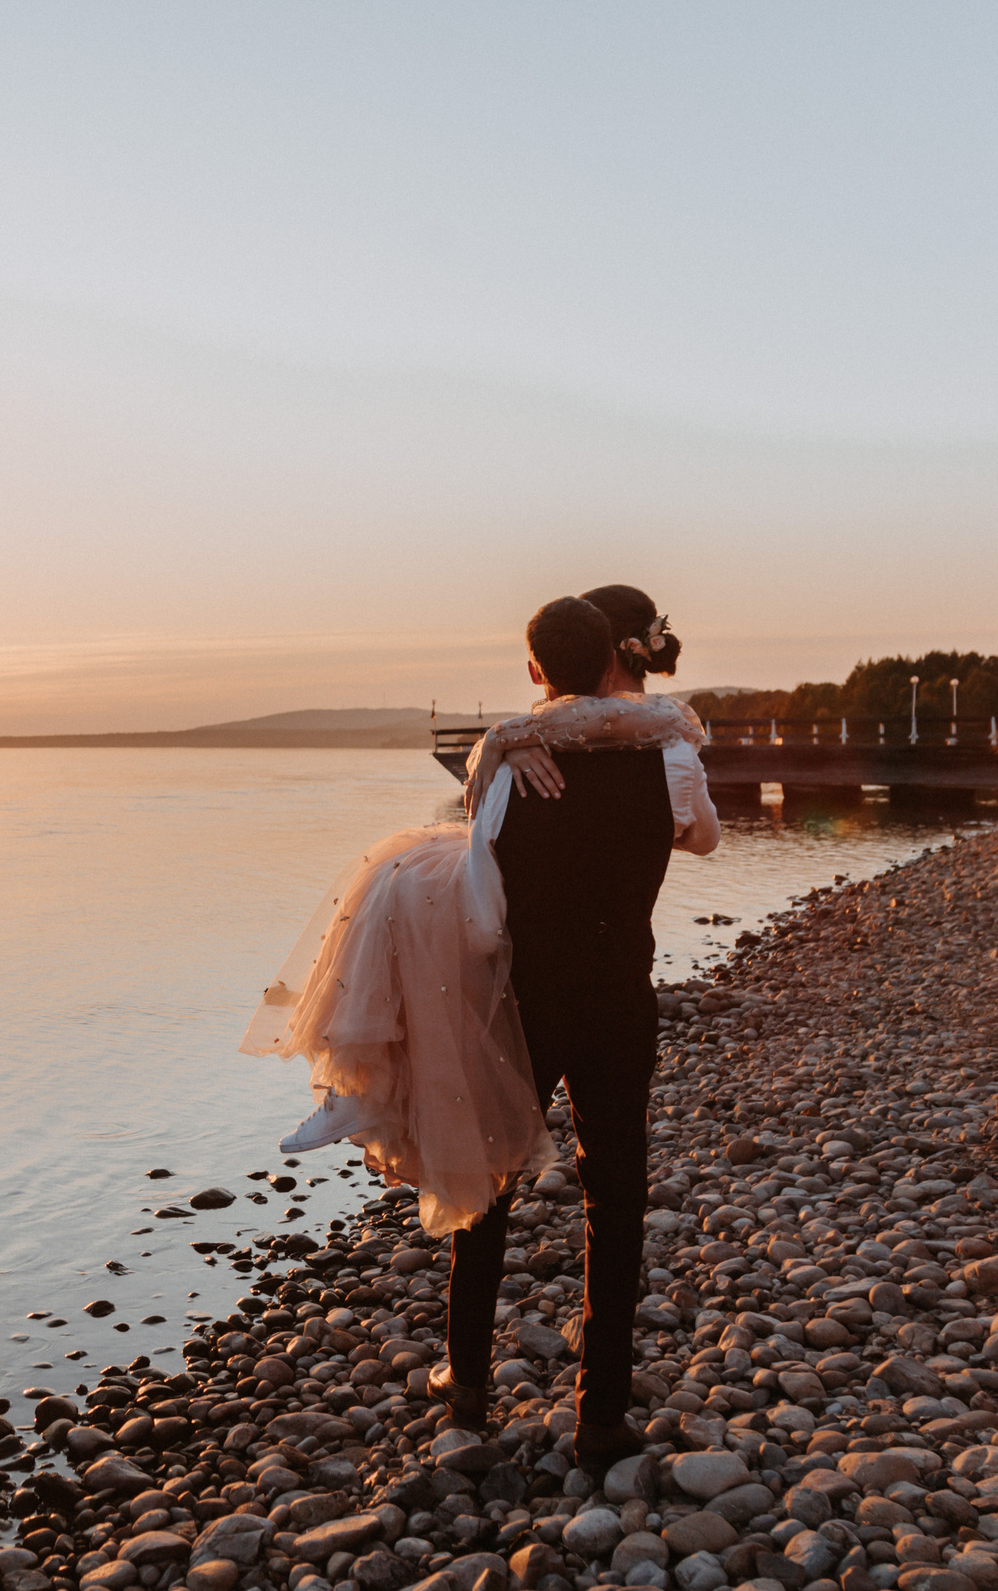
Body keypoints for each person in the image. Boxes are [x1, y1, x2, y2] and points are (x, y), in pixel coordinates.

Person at [241, 585, 711, 1464]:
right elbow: (695, 833)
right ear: (623, 654)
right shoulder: (675, 758)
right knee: (617, 1201)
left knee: (483, 1182)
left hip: (522, 1002)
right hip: (619, 1001)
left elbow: (485, 914)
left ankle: (468, 1398)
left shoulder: (507, 767)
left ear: (535, 671)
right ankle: (600, 1416)